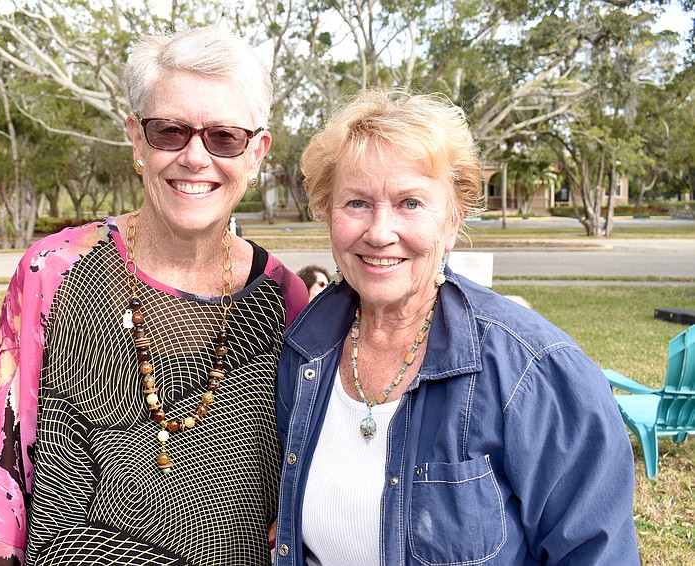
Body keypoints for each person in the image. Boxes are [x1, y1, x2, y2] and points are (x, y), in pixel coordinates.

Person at [0, 26, 308, 565]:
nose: (195, 158)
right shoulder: (55, 272)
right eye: (170, 132)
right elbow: (4, 478)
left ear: (255, 154)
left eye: (225, 137)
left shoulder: (284, 299)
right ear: (137, 139)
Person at [273, 90, 640, 565]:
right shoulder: (307, 348)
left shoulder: (536, 373)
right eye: (357, 202)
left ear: (452, 221)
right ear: (327, 212)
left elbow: (596, 553)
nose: (380, 231)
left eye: (410, 203)